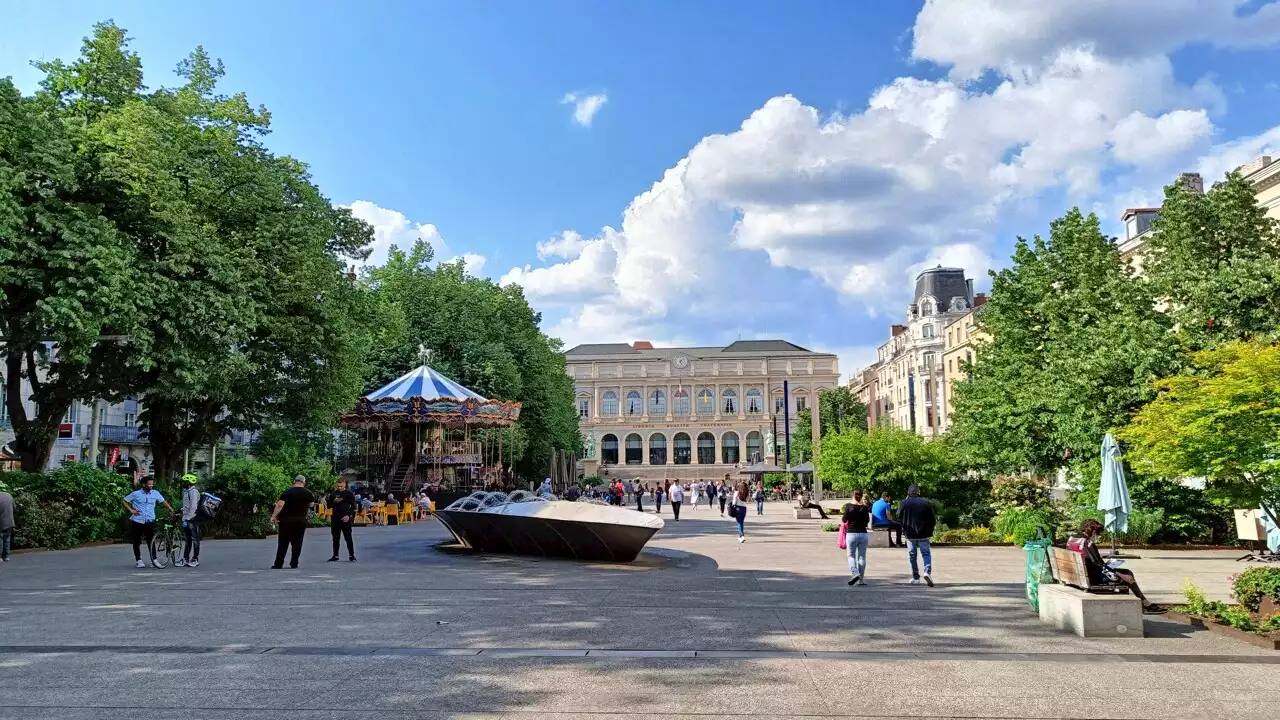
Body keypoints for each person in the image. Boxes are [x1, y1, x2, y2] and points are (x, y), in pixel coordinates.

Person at [1072, 519, 1163, 613]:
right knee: (1127, 574)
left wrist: (1106, 565)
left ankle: (1144, 603)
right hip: (1093, 577)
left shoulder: (1072, 539)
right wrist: (1120, 575)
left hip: (1080, 574)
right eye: (1098, 533)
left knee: (1121, 571)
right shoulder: (1088, 543)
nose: (1098, 536)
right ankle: (1145, 604)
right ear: (1093, 531)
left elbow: (1093, 561)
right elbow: (1098, 564)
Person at [122, 477, 175, 569]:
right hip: (137, 520)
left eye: (152, 484)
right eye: (149, 484)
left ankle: (153, 560)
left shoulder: (155, 493)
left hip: (150, 520)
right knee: (137, 541)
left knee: (151, 541)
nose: (151, 485)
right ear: (144, 484)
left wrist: (171, 510)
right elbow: (124, 500)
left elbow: (163, 502)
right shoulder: (136, 494)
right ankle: (138, 560)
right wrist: (131, 510)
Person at [270, 475, 314, 569]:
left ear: (295, 481)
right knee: (297, 542)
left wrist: (273, 516)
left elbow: (280, 505)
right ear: (303, 482)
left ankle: (278, 563)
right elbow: (311, 504)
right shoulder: (308, 493)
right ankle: (294, 563)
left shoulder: (287, 492)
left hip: (286, 520)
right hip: (301, 520)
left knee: (283, 542)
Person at [898, 485, 936, 586]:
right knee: (926, 554)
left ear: (908, 493)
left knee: (912, 555)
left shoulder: (904, 503)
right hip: (924, 533)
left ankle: (916, 577)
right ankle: (927, 571)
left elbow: (898, 515)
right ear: (918, 492)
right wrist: (930, 529)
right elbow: (933, 518)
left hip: (910, 534)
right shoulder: (926, 502)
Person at [842, 491, 872, 585]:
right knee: (862, 557)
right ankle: (861, 580)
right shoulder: (864, 508)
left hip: (851, 534)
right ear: (861, 496)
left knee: (851, 556)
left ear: (853, 496)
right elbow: (867, 520)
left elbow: (844, 520)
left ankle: (855, 573)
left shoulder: (848, 507)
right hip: (863, 534)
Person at [327, 478, 358, 562]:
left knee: (348, 537)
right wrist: (334, 501)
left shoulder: (349, 494)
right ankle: (335, 555)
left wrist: (349, 516)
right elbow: (328, 505)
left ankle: (351, 555)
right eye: (338, 486)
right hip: (335, 518)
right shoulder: (333, 494)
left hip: (346, 518)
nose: (339, 487)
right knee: (335, 538)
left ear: (344, 484)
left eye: (341, 486)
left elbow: (354, 507)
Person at [175, 474, 202, 568]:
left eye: (185, 481)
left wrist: (189, 518)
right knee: (188, 540)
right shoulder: (186, 491)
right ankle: (186, 559)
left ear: (189, 482)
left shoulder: (193, 492)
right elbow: (187, 505)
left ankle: (195, 559)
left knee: (194, 539)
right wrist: (181, 510)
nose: (183, 483)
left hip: (192, 519)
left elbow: (193, 506)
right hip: (186, 518)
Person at [0, 489, 14, 563]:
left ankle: (0, 557)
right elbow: (14, 507)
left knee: (0, 539)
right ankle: (6, 556)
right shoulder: (9, 495)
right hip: (10, 521)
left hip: (1, 522)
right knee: (7, 539)